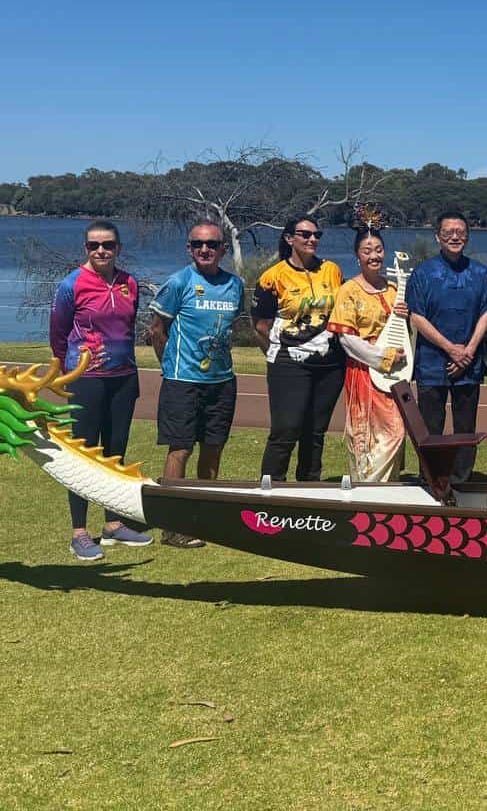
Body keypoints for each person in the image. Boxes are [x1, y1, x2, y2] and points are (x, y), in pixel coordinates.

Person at [49, 219, 153, 560]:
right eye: (94, 245)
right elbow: (58, 335)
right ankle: (79, 533)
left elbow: (128, 326)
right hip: (86, 380)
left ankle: (112, 524)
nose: (101, 250)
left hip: (124, 377)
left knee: (114, 451)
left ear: (118, 247)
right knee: (83, 455)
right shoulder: (72, 284)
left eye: (107, 244)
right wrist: (68, 373)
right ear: (86, 248)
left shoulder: (129, 283)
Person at [149, 219, 244, 547]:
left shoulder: (235, 285)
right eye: (198, 244)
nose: (205, 249)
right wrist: (170, 366)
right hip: (183, 382)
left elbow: (229, 326)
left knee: (213, 448)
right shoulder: (178, 282)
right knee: (181, 449)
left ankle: (205, 520)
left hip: (222, 381)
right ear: (189, 248)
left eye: (212, 244)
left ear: (223, 249)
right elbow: (157, 330)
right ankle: (172, 526)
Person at [253, 216, 345, 481]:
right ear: (289, 238)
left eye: (317, 235)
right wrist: (279, 356)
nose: (312, 239)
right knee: (286, 430)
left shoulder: (332, 270)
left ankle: (309, 487)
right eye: (305, 234)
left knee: (315, 432)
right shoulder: (273, 277)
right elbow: (260, 326)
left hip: (330, 364)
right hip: (289, 361)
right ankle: (271, 490)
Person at [406, 211, 487, 484]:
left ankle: (462, 479)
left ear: (467, 236)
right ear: (438, 237)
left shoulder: (480, 272)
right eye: (448, 232)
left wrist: (468, 350)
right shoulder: (422, 273)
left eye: (460, 232)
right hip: (432, 362)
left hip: (468, 362)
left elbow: (486, 312)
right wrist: (450, 348)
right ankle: (432, 479)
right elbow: (417, 316)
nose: (454, 237)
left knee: (465, 427)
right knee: (430, 427)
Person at [327, 221, 410, 482]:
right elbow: (347, 340)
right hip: (364, 369)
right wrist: (382, 357)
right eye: (367, 251)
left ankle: (387, 487)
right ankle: (367, 485)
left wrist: (405, 318)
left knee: (397, 431)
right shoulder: (349, 290)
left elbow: (403, 333)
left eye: (378, 250)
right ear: (357, 255)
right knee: (369, 434)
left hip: (396, 371)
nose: (374, 256)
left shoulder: (394, 289)